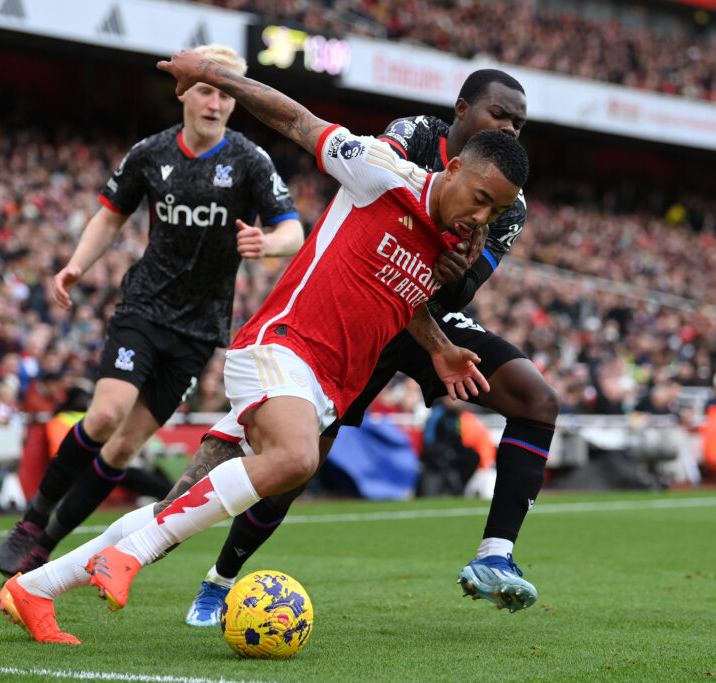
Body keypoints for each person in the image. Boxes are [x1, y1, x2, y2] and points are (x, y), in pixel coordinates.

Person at [0, 48, 528, 644]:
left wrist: (439, 348)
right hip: (280, 347)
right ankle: (130, 557)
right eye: (479, 197)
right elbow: (295, 118)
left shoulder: (450, 245)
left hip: (323, 386)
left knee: (180, 503)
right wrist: (214, 75)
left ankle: (35, 588)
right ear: (452, 169)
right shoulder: (383, 172)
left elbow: (400, 299)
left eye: (495, 210)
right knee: (298, 460)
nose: (480, 215)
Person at [180, 69, 555, 627]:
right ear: (462, 109)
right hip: (359, 312)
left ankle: (494, 556)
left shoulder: (509, 202)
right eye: (499, 115)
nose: (509, 129)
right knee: (296, 466)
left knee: (537, 399)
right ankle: (221, 579)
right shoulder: (416, 134)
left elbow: (462, 290)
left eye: (519, 124)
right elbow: (370, 182)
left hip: (426, 317)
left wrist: (455, 272)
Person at [0, 44, 305, 577]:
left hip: (199, 330)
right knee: (105, 415)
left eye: (226, 94)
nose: (215, 103)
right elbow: (110, 215)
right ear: (184, 93)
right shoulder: (151, 152)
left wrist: (268, 243)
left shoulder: (250, 160)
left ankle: (46, 544)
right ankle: (32, 519)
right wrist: (76, 265)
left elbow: (292, 230)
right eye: (206, 90)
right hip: (143, 307)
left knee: (122, 450)